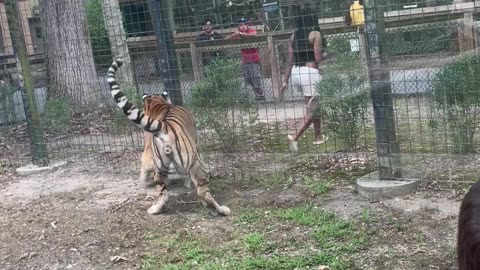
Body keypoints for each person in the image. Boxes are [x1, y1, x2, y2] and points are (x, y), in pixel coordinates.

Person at [280, 8, 328, 154]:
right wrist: (327, 54)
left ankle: (318, 136)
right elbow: (318, 58)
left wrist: (285, 80)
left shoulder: (293, 36)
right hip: (310, 72)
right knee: (313, 108)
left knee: (313, 106)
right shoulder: (315, 34)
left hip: (295, 72)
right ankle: (294, 136)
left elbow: (289, 60)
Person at [227, 17, 265, 101]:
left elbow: (254, 35)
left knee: (256, 78)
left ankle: (262, 94)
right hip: (245, 61)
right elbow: (228, 39)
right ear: (238, 27)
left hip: (254, 60)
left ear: (247, 25)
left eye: (245, 25)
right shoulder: (238, 34)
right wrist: (234, 36)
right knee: (248, 79)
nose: (243, 26)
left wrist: (242, 34)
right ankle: (257, 95)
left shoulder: (251, 31)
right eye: (240, 25)